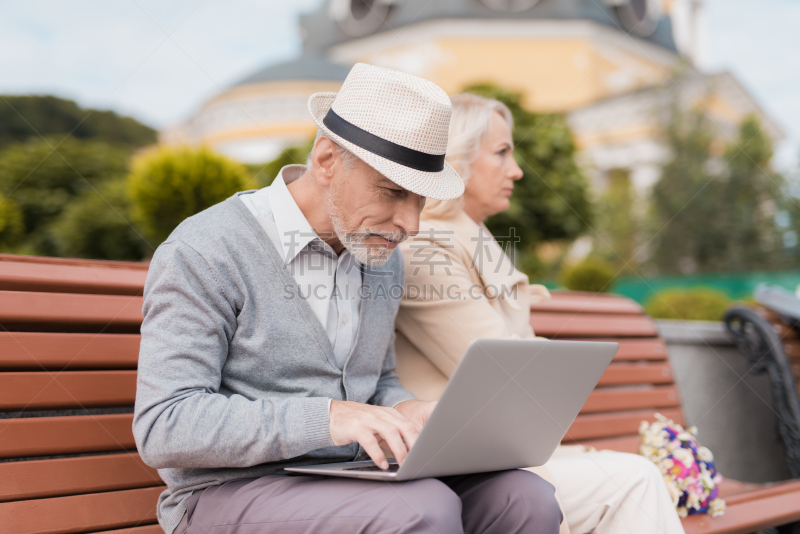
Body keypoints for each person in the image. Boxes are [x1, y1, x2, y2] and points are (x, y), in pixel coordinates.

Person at [133, 64, 563, 534]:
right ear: (326, 161)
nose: (411, 224)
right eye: (393, 192)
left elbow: (377, 380)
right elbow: (164, 425)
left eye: (420, 199)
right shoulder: (206, 249)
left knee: (524, 498)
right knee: (424, 510)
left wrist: (404, 407)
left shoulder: (379, 256)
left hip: (353, 476)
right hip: (227, 491)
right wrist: (329, 418)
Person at [395, 93, 686, 534]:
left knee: (634, 479)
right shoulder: (426, 246)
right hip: (467, 469)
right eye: (501, 153)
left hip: (505, 457)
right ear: (457, 159)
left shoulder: (473, 238)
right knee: (635, 481)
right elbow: (505, 372)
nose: (516, 170)